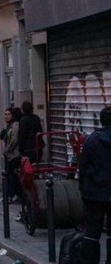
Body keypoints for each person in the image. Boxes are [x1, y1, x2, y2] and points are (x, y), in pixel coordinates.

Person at [77, 106, 111, 264]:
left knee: (91, 233)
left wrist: (82, 188)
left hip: (94, 193)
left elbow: (83, 167)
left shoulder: (91, 140)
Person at [0, 107, 22, 203]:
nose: (6, 116)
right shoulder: (7, 126)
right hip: (8, 154)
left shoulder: (15, 125)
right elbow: (3, 137)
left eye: (8, 114)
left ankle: (14, 195)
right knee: (8, 176)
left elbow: (14, 140)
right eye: (5, 114)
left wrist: (8, 150)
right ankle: (9, 195)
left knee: (13, 176)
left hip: (14, 155)